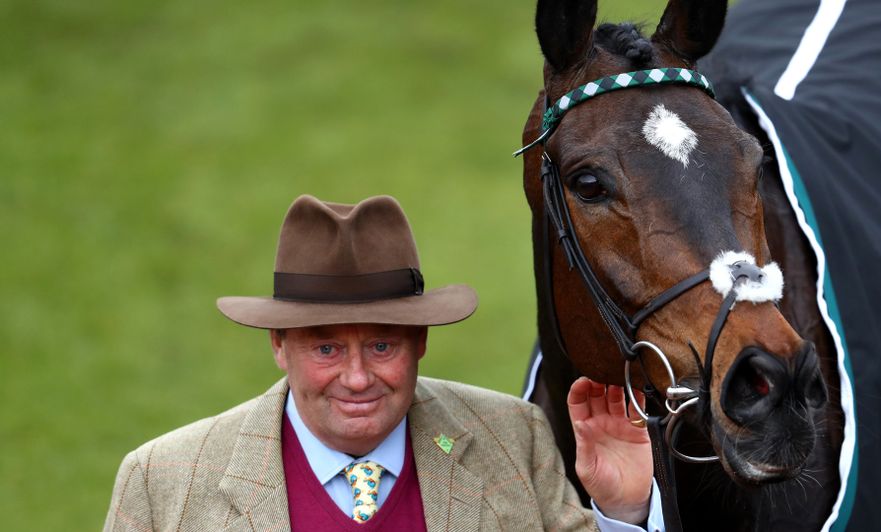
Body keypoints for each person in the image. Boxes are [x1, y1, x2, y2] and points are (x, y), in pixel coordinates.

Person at [103, 194, 663, 531]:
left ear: (420, 340)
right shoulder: (162, 482)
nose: (356, 378)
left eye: (381, 346)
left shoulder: (514, 439)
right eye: (325, 348)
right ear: (278, 344)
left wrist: (621, 511)